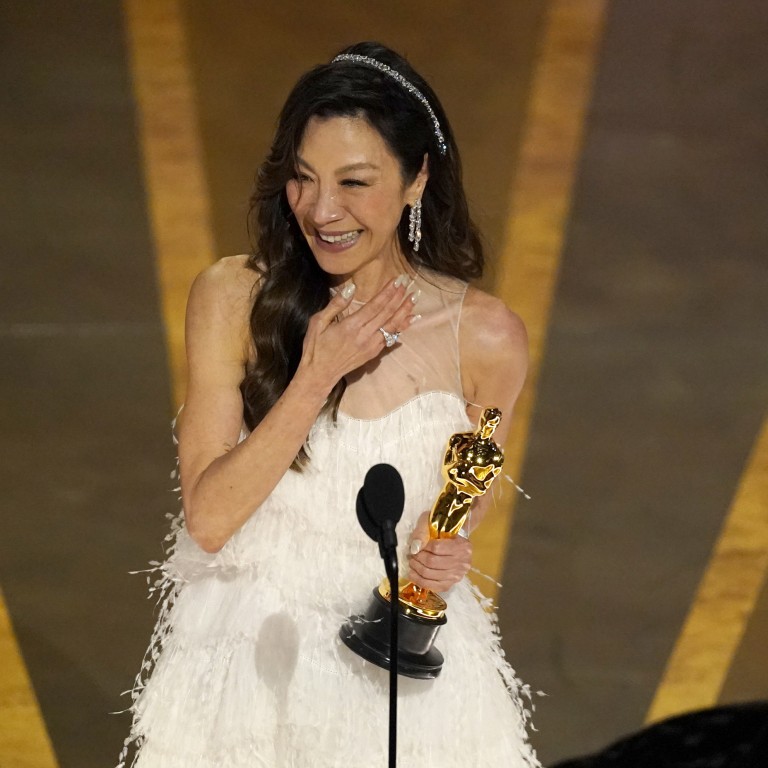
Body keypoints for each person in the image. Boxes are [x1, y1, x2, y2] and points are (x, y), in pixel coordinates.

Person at [119, 41, 540, 768]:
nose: (322, 210)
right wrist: (315, 376)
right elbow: (210, 519)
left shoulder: (489, 339)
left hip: (402, 684)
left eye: (354, 182)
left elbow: (462, 501)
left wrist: (444, 556)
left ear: (416, 181)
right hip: (249, 665)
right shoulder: (231, 298)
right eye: (304, 180)